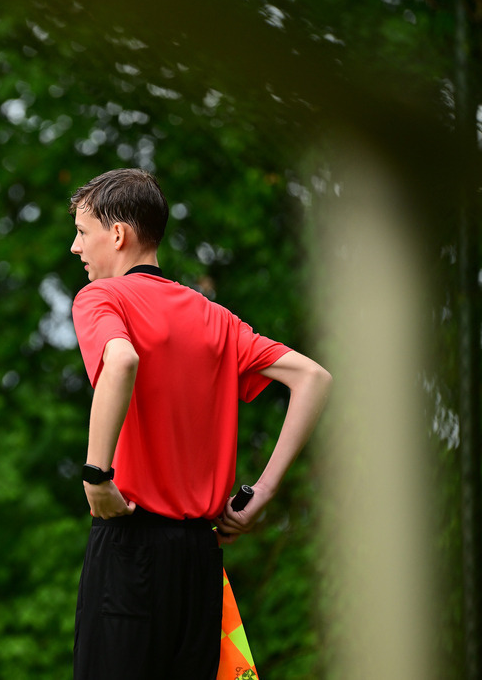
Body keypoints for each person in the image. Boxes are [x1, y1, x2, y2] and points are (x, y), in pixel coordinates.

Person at [67, 168, 331, 679]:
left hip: (130, 546)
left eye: (82, 232)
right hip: (199, 561)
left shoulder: (102, 299)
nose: (76, 248)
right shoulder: (215, 317)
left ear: (117, 235)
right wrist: (261, 494)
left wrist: (97, 477)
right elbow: (312, 377)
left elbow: (119, 361)